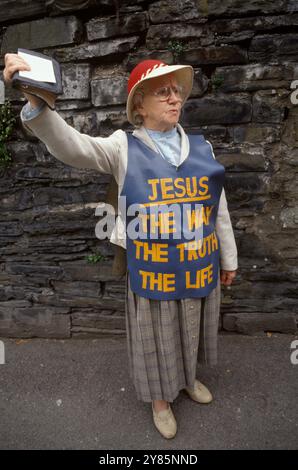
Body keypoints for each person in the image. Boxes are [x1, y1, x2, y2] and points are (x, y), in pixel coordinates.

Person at [3, 54, 238, 440]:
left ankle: (187, 381)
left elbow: (219, 209)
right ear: (139, 105)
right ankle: (160, 402)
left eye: (176, 91)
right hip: (151, 270)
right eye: (163, 92)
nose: (174, 98)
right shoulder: (121, 147)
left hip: (198, 264)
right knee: (155, 334)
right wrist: (36, 104)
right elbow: (74, 147)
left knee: (191, 327)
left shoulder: (203, 148)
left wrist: (228, 257)